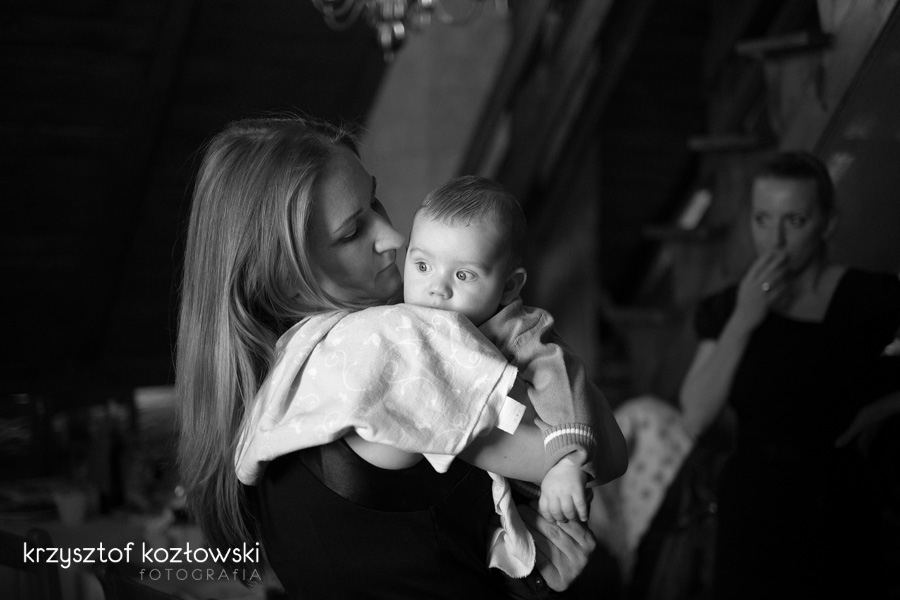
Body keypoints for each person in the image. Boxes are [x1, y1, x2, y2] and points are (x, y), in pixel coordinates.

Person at [176, 115, 628, 600]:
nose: (394, 237)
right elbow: (601, 455)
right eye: (353, 231)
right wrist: (528, 333)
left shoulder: (276, 381)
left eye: (374, 201)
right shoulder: (391, 343)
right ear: (285, 275)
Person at [679, 151, 900, 599]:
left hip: (840, 505)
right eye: (762, 219)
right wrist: (745, 318)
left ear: (827, 224)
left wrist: (881, 409)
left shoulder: (869, 297)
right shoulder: (728, 307)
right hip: (753, 506)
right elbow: (696, 417)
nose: (775, 240)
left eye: (794, 221)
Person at [404, 175, 609, 524]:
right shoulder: (405, 323)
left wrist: (568, 463)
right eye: (423, 266)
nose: (436, 288)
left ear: (509, 287)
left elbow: (561, 383)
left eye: (463, 275)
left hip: (536, 492)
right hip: (467, 488)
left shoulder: (519, 333)